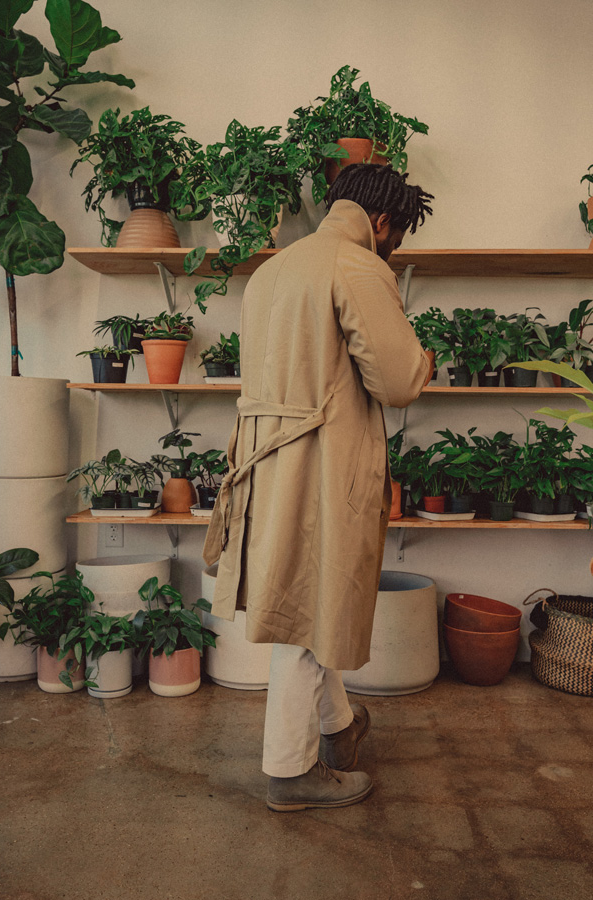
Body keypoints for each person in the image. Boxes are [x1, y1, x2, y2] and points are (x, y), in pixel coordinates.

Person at [203, 163, 434, 812]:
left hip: (266, 461)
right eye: (396, 235)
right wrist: (427, 362)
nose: (391, 247)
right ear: (381, 222)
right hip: (321, 466)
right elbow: (396, 380)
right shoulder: (356, 266)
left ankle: (338, 731)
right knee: (306, 616)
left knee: (307, 600)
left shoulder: (275, 267)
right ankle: (289, 771)